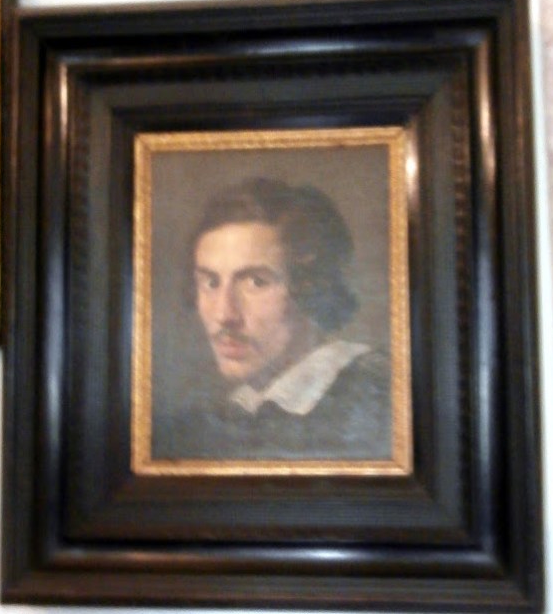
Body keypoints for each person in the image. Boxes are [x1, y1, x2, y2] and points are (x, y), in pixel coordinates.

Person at [162, 178, 391, 461]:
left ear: (311, 287)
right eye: (210, 283)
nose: (224, 315)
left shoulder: (376, 393)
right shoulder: (231, 413)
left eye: (256, 282)